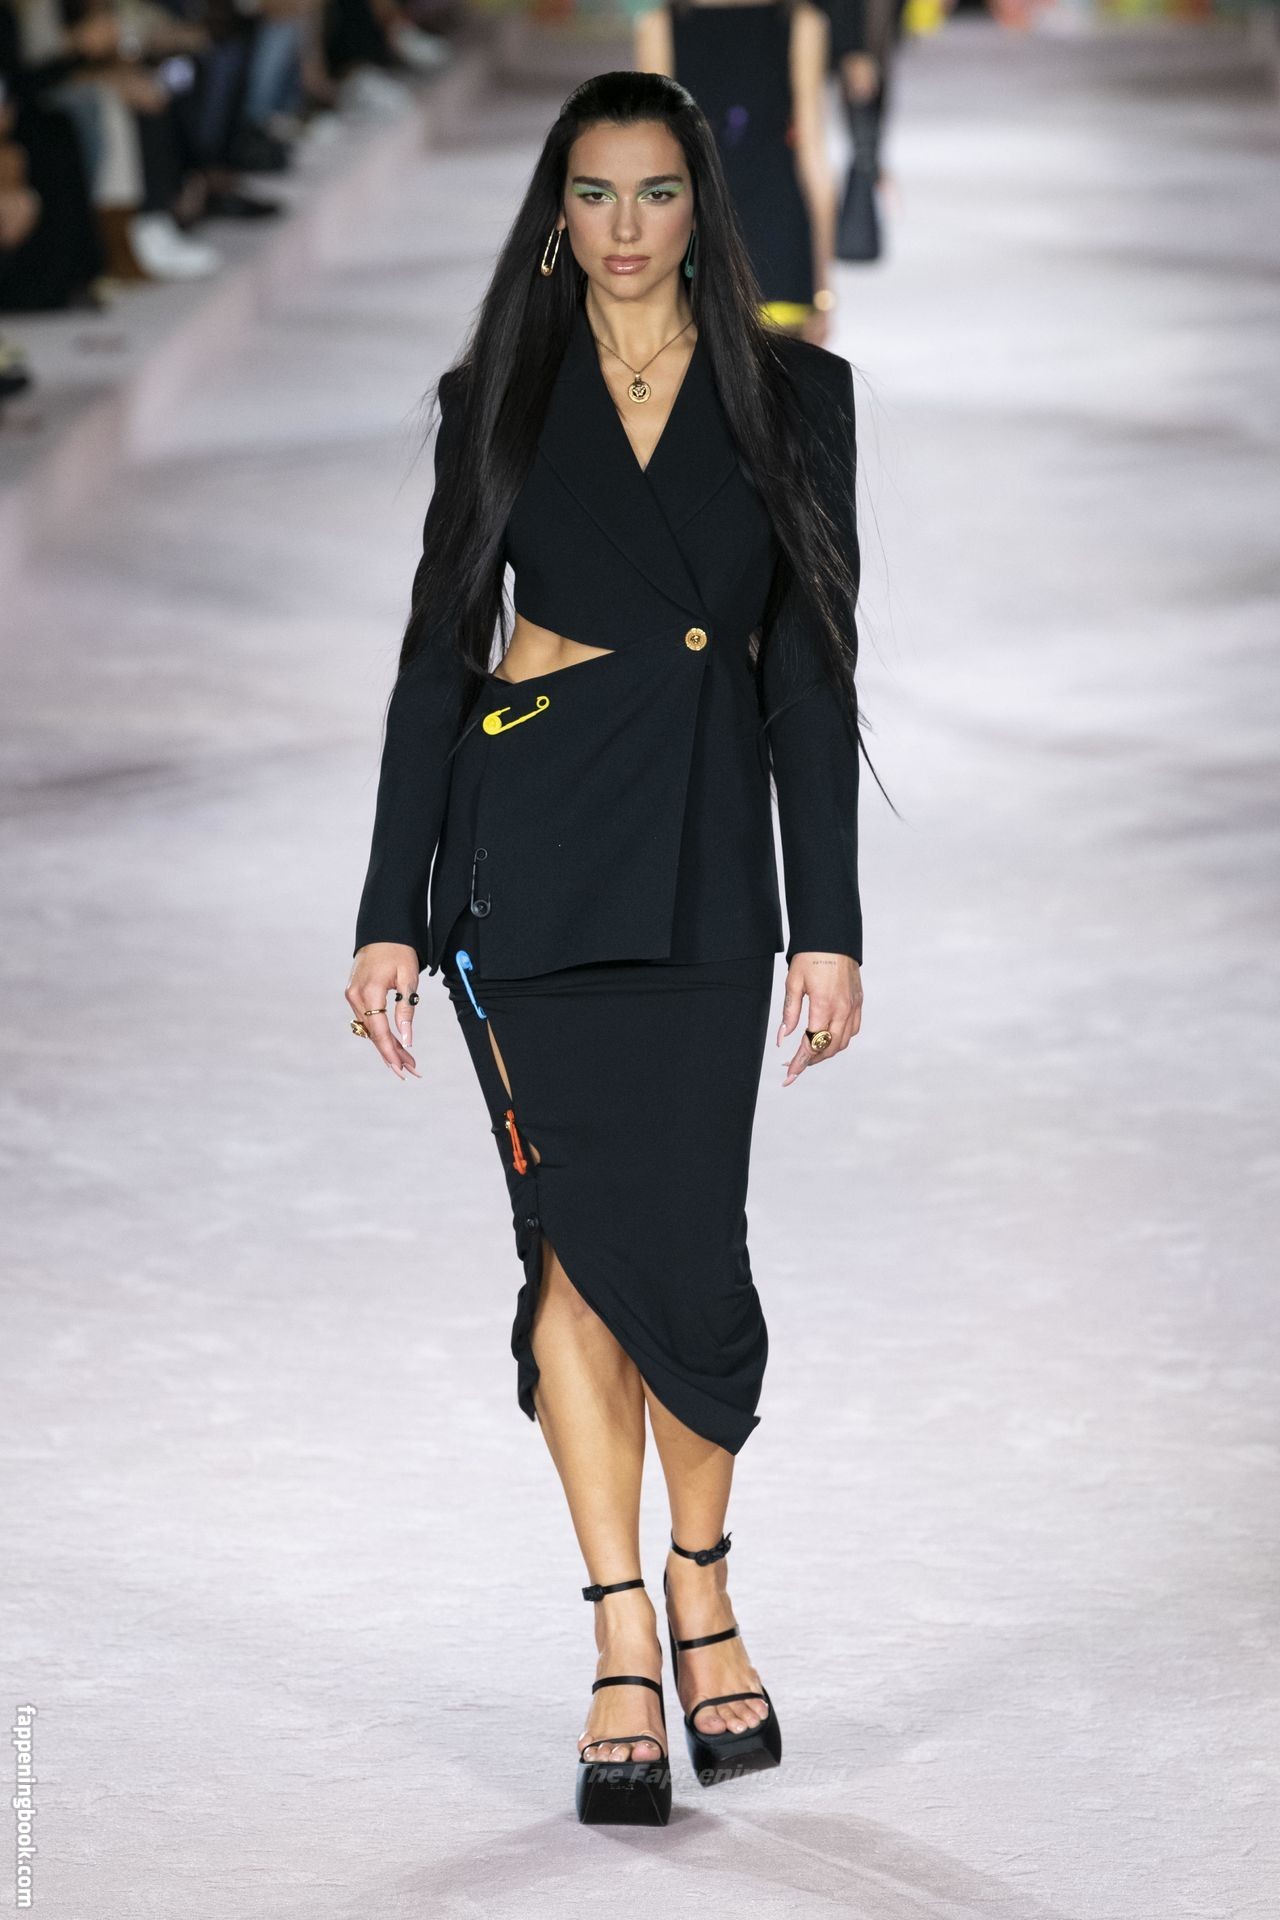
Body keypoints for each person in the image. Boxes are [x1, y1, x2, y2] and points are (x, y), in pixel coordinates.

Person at [346, 68, 871, 1825]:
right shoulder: (497, 396)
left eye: (657, 192)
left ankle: (705, 1580)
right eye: (595, 193)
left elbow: (811, 677)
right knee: (576, 1260)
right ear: (554, 216)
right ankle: (623, 1638)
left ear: (699, 209)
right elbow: (437, 656)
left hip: (709, 859)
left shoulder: (794, 395)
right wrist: (391, 910)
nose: (626, 226)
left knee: (694, 1263)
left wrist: (828, 927)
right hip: (539, 858)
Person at [631, 0, 838, 343]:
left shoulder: (661, 26)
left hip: (696, 248)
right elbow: (813, 158)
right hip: (781, 249)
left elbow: (653, 166)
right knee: (781, 375)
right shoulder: (801, 23)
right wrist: (822, 288)